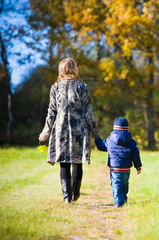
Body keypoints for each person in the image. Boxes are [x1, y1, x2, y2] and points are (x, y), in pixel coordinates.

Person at [39, 57, 100, 203]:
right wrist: (96, 133)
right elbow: (88, 112)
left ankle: (67, 197)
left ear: (61, 70)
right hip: (78, 128)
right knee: (77, 162)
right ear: (74, 69)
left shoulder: (55, 87)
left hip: (60, 129)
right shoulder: (83, 87)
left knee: (64, 163)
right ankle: (75, 195)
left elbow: (51, 111)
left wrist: (45, 132)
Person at [95, 118, 142, 207]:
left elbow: (101, 146)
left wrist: (97, 138)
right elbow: (136, 155)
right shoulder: (132, 142)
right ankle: (123, 200)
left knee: (116, 184)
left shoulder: (109, 140)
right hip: (126, 168)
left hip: (114, 167)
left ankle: (118, 202)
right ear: (127, 128)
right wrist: (138, 166)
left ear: (114, 128)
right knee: (124, 184)